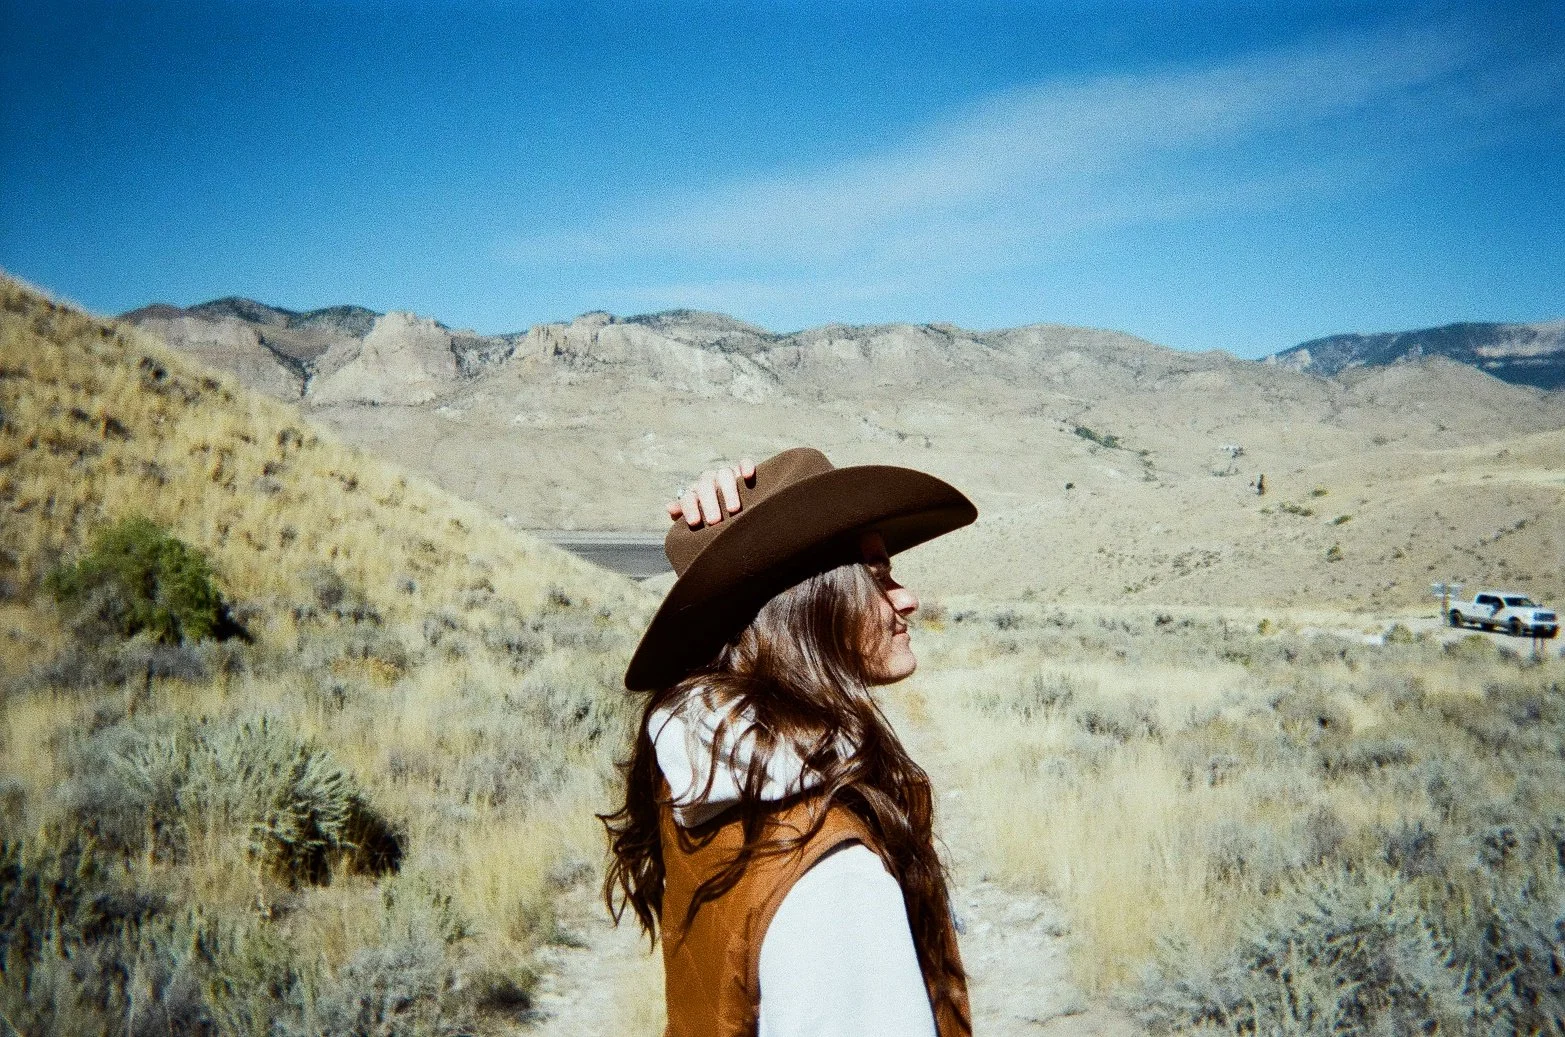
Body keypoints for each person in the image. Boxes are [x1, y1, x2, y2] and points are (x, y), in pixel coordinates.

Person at [600, 447, 977, 1037]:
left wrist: (739, 530)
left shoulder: (701, 772)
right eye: (878, 574)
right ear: (810, 602)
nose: (906, 598)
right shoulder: (837, 879)